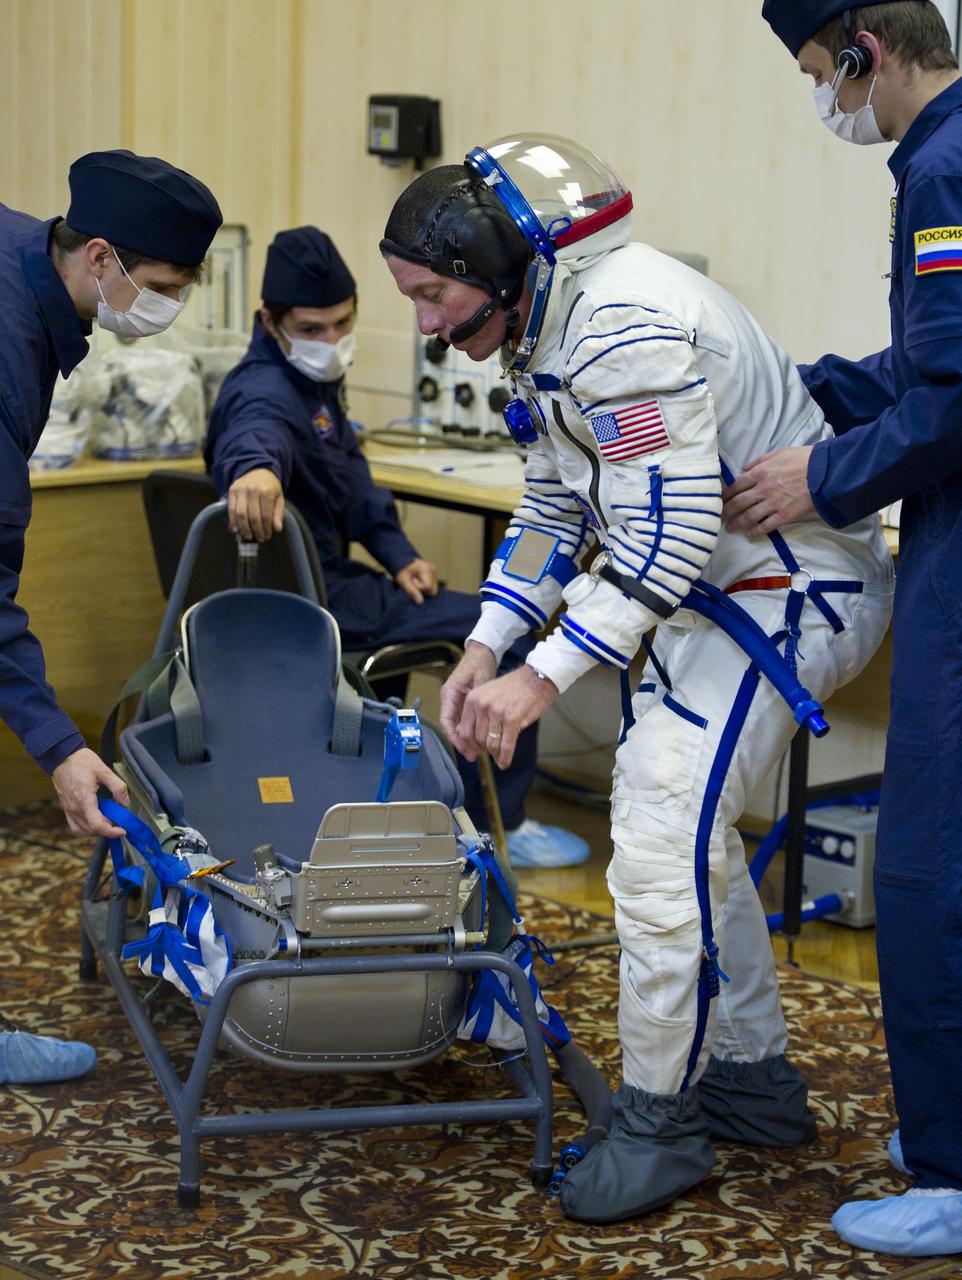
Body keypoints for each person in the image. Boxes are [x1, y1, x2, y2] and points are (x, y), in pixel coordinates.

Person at [381, 134, 894, 1223]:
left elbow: (666, 536)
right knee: (683, 825)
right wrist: (485, 644)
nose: (424, 324)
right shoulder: (550, 317)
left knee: (660, 825)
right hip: (720, 585)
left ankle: (659, 1122)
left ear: (491, 265)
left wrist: (540, 680)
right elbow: (556, 508)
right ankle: (747, 1076)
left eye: (431, 295)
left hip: (791, 582)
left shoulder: (621, 320)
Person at [727, 0, 962, 1257]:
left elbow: (955, 397)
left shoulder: (937, 165)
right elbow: (926, 360)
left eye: (823, 75)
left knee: (925, 862)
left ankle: (949, 1167)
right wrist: (802, 384)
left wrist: (815, 477)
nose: (826, 100)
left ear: (866, 54)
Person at [204, 225, 588, 870]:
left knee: (459, 618)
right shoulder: (265, 390)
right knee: (511, 636)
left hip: (325, 591)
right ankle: (498, 824)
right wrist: (254, 470)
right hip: (319, 601)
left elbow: (353, 490)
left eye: (342, 324)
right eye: (312, 328)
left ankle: (424, 809)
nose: (329, 342)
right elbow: (253, 434)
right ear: (270, 322)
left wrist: (401, 555)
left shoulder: (309, 384)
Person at [0, 149, 222, 1086]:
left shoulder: (20, 250)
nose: (163, 305)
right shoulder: (8, 348)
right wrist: (56, 743)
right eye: (161, 287)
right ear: (99, 257)